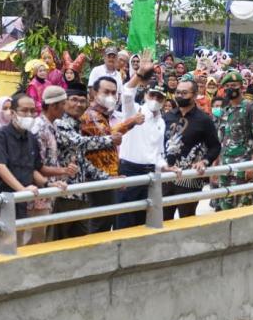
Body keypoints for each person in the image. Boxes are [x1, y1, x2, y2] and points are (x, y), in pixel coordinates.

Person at [0, 94, 58, 249]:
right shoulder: (0, 136)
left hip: (19, 203)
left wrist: (49, 184)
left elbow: (33, 168)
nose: (29, 115)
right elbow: (0, 167)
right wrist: (22, 190)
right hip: (1, 201)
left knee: (19, 246)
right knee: (5, 249)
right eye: (24, 111)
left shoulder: (30, 138)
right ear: (13, 112)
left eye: (32, 111)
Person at [53, 84, 119, 240]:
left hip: (79, 195)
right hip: (62, 195)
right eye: (74, 100)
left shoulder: (77, 124)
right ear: (64, 102)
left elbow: (83, 161)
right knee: (59, 242)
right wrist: (109, 140)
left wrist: (108, 178)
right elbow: (79, 142)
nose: (78, 104)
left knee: (82, 240)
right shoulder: (59, 123)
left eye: (82, 101)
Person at [117, 67, 180, 229]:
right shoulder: (135, 111)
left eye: (160, 97)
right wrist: (138, 75)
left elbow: (158, 153)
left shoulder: (161, 122)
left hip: (150, 173)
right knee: (125, 220)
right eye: (152, 95)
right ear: (145, 95)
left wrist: (166, 166)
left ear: (165, 100)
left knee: (143, 220)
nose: (155, 99)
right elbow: (127, 93)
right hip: (129, 171)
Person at [81, 77, 142, 233]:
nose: (110, 96)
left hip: (107, 178)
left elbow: (109, 137)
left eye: (114, 93)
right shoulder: (91, 115)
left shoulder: (103, 116)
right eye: (106, 92)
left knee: (105, 222)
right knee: (99, 225)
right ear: (94, 93)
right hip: (97, 179)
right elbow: (108, 137)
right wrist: (131, 122)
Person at [163, 77, 221, 219]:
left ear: (194, 95)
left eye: (184, 93)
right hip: (166, 177)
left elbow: (215, 146)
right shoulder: (167, 117)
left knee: (187, 220)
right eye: (177, 92)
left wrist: (204, 161)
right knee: (162, 220)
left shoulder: (204, 120)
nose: (179, 96)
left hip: (190, 178)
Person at [26, 86, 75, 244]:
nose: (65, 108)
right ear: (53, 106)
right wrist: (63, 170)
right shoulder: (39, 129)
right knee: (34, 242)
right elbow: (36, 166)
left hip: (48, 193)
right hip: (37, 195)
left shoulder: (52, 125)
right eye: (63, 104)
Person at [212, 71, 253, 211]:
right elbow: (220, 140)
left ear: (241, 87)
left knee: (244, 208)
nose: (231, 88)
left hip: (243, 166)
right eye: (228, 86)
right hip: (225, 168)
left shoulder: (250, 107)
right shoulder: (224, 111)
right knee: (225, 208)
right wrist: (215, 165)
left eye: (234, 85)